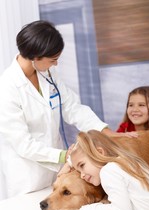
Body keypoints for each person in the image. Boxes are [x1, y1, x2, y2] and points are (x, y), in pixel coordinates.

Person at [0, 20, 133, 200]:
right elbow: (23, 144)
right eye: (53, 60)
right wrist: (66, 156)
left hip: (57, 170)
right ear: (35, 57)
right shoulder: (7, 87)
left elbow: (72, 108)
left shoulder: (47, 74)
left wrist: (107, 133)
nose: (56, 65)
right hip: (26, 176)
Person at [64, 130, 149, 210]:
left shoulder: (109, 171)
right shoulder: (127, 162)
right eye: (79, 170)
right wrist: (70, 162)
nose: (82, 175)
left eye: (82, 165)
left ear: (100, 152)